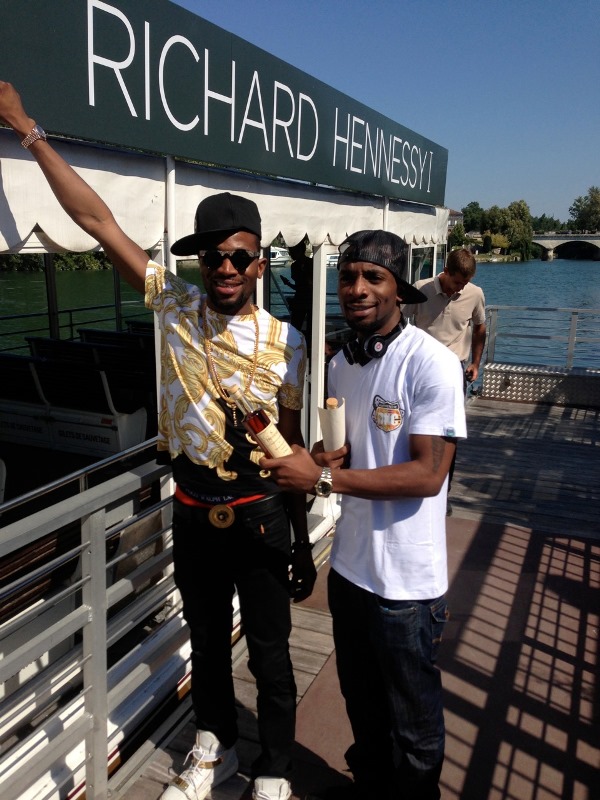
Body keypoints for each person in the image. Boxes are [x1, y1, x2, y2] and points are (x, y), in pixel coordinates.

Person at [0, 80, 316, 800]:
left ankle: (274, 769)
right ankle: (214, 746)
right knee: (205, 642)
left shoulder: (288, 344)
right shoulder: (172, 304)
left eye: (238, 256)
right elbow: (96, 219)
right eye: (212, 256)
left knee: (270, 653)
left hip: (261, 512)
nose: (225, 267)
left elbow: (293, 450)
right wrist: (27, 128)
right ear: (198, 261)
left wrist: (299, 538)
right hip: (194, 509)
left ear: (259, 262)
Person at [261, 229, 468, 800]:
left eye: (373, 277)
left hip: (406, 584)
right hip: (350, 571)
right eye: (348, 276)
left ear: (399, 289)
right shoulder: (341, 365)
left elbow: (428, 476)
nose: (357, 288)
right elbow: (354, 454)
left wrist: (322, 479)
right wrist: (321, 459)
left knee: (414, 726)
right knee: (363, 705)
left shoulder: (431, 364)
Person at [402, 248, 486, 512]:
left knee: (449, 434)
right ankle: (410, 483)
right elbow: (400, 322)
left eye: (465, 283)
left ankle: (442, 493)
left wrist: (475, 363)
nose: (460, 288)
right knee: (413, 428)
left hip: (453, 372)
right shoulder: (421, 289)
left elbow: (480, 327)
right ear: (445, 271)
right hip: (420, 369)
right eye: (457, 282)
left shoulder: (475, 294)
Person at [281, 238, 313, 339]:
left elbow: (303, 286)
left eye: (292, 251)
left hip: (308, 301)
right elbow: (301, 287)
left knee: (304, 328)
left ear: (300, 250)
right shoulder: (295, 266)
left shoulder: (309, 264)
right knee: (296, 328)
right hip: (303, 300)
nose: (290, 254)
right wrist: (288, 283)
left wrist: (288, 284)